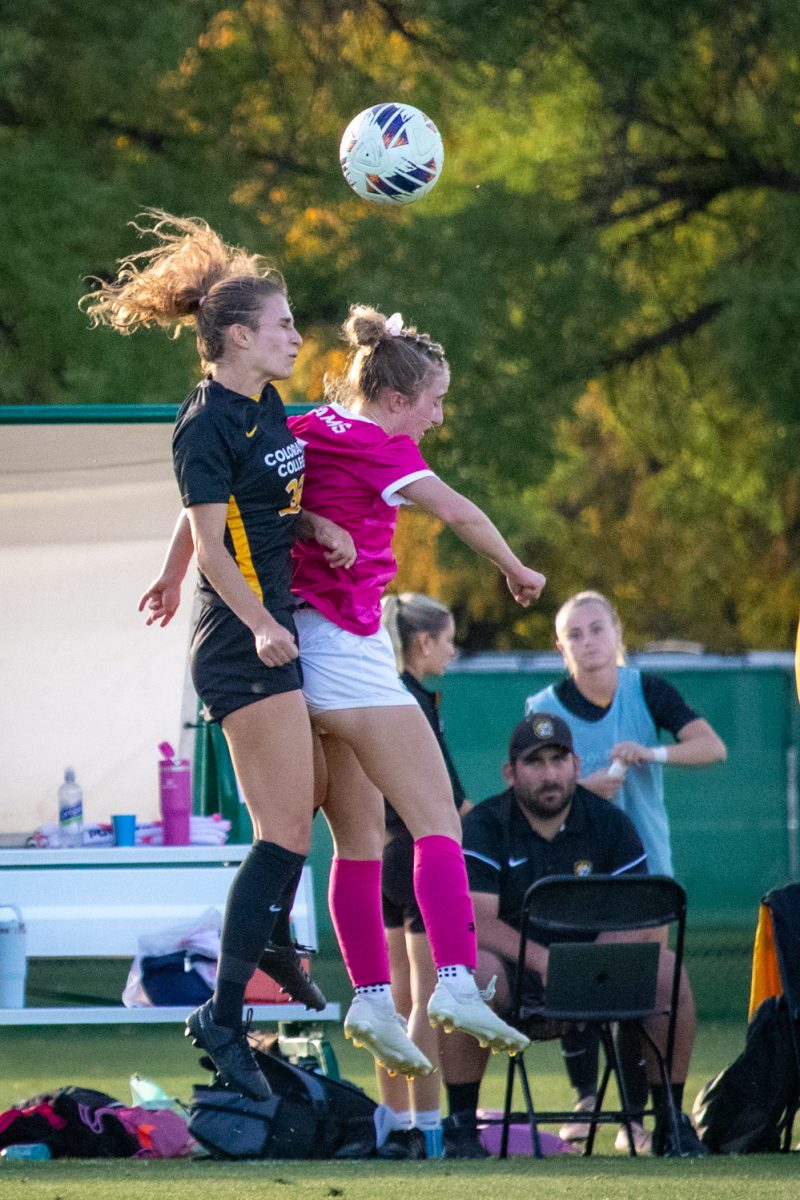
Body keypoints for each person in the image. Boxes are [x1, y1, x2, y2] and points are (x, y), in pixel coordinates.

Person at [139, 291, 547, 1080]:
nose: (435, 419)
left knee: (360, 840)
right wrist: (517, 568)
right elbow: (458, 512)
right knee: (436, 822)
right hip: (339, 652)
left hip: (299, 650)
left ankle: (367, 994)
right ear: (397, 398)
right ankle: (455, 982)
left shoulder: (302, 425)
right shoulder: (382, 448)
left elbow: (213, 501)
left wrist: (175, 568)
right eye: (434, 404)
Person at [80, 210, 356, 1101]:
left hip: (260, 624)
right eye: (282, 327)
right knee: (283, 828)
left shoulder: (261, 405)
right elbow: (212, 542)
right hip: (242, 641)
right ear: (238, 337)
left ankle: (269, 935)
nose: (295, 337)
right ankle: (224, 1014)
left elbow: (224, 507)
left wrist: (306, 519)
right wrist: (261, 624)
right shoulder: (205, 418)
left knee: (304, 801)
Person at [440, 713, 708, 1158]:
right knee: (467, 977)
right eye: (535, 762)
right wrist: (548, 964)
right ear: (511, 772)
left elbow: (645, 919)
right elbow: (475, 921)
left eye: (558, 760)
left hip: (598, 972)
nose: (549, 774)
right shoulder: (486, 825)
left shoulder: (610, 824)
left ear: (577, 765)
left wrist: (593, 965)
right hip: (519, 973)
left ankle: (671, 1124)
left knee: (667, 972)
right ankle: (461, 1127)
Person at [524, 590, 727, 1147]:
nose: (589, 643)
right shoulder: (545, 706)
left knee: (639, 989)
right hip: (570, 878)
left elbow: (712, 747)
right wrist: (580, 790)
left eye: (597, 630)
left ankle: (638, 1121)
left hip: (644, 874)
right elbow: (532, 791)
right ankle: (585, 1099)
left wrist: (652, 753)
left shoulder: (647, 690)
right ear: (560, 646)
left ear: (617, 632)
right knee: (575, 978)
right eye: (576, 634)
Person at [373, 593, 471, 1158]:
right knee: (425, 1001)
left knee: (386, 998)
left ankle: (392, 1120)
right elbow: (451, 801)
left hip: (380, 855)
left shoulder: (380, 694)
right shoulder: (412, 702)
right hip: (415, 856)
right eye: (449, 639)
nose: (452, 651)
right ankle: (428, 1129)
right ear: (424, 642)